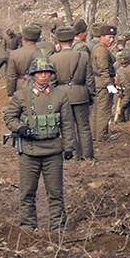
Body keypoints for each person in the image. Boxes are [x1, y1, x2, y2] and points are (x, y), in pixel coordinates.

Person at [4, 57, 75, 231]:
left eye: (47, 73)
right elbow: (9, 117)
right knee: (27, 191)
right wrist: (21, 128)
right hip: (29, 151)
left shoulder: (60, 95)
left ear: (51, 74)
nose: (43, 76)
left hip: (53, 151)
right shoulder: (22, 95)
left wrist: (68, 147)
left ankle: (57, 227)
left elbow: (67, 123)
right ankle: (28, 226)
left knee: (56, 192)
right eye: (39, 73)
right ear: (33, 75)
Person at [50, 26, 95, 160]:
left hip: (62, 96)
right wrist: (91, 94)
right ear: (72, 39)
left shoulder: (53, 59)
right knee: (84, 127)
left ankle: (73, 155)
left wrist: (53, 97)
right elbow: (89, 79)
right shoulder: (84, 56)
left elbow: (52, 82)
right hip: (81, 94)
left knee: (67, 127)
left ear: (58, 41)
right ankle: (88, 156)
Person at [91, 24, 118, 141]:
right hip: (103, 84)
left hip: (100, 83)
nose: (111, 40)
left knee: (99, 109)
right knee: (104, 110)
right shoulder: (101, 50)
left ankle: (96, 134)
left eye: (113, 37)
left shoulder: (100, 48)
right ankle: (101, 135)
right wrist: (109, 85)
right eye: (109, 37)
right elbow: (103, 70)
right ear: (101, 37)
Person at [5, 24, 41, 96]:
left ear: (23, 38)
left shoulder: (14, 54)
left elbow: (11, 76)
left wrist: (10, 93)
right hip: (38, 87)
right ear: (38, 38)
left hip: (20, 87)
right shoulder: (41, 53)